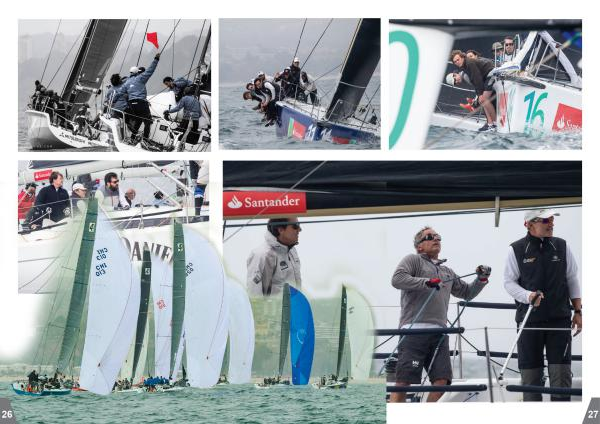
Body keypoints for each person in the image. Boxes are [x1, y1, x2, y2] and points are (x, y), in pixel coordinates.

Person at [390, 226, 491, 403]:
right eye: (430, 236)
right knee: (403, 382)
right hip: (413, 331)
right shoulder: (413, 260)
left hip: (439, 334)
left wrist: (481, 279)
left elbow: (467, 293)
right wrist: (427, 282)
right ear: (419, 246)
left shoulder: (447, 271)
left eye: (438, 236)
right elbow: (397, 279)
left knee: (442, 382)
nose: (436, 239)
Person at [503, 209, 581, 402]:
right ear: (529, 224)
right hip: (529, 321)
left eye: (552, 219)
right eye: (546, 220)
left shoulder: (562, 246)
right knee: (531, 380)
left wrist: (578, 311)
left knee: (561, 378)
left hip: (559, 320)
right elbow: (509, 282)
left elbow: (572, 279)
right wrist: (528, 296)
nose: (551, 224)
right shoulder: (516, 249)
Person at [247, 217, 302, 297]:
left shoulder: (291, 250)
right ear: (281, 230)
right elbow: (255, 295)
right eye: (295, 226)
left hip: (294, 304)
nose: (300, 229)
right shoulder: (262, 255)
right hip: (277, 306)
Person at [449, 50, 497, 132]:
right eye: (455, 62)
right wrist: (479, 95)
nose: (457, 62)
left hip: (491, 73)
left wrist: (480, 94)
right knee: (481, 101)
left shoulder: (469, 63)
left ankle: (495, 123)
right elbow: (475, 81)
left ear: (462, 57)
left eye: (458, 59)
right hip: (485, 78)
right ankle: (490, 124)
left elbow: (477, 78)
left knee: (484, 99)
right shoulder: (463, 66)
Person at [120, 53, 161, 142]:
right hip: (141, 102)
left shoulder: (126, 82)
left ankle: (132, 138)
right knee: (148, 121)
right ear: (137, 72)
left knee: (138, 120)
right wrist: (156, 59)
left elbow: (120, 92)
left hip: (132, 104)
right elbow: (150, 70)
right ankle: (145, 141)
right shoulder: (141, 78)